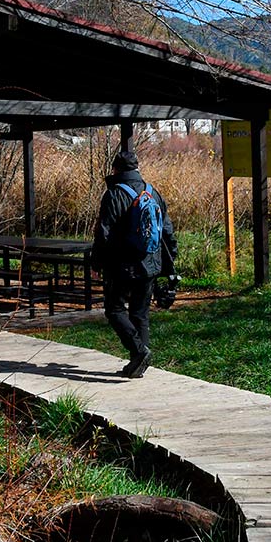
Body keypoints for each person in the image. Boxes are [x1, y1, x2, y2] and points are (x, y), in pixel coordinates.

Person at [90, 150, 177, 378]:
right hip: (150, 264)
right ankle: (138, 364)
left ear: (116, 170)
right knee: (140, 313)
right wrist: (170, 260)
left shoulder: (114, 195)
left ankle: (139, 353)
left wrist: (97, 263)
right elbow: (167, 230)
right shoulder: (153, 193)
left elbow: (103, 233)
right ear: (137, 168)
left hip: (122, 265)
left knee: (115, 309)